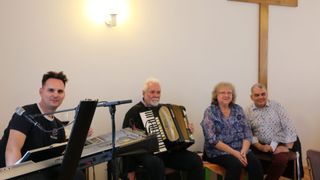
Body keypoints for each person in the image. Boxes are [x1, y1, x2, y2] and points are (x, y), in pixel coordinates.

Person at [0, 71, 85, 179]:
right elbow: (13, 149)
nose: (55, 94)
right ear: (41, 92)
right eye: (51, 90)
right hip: (16, 172)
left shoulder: (59, 126)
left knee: (77, 175)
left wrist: (80, 137)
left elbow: (61, 156)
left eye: (60, 91)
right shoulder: (26, 114)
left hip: (41, 171)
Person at [122, 77, 203, 180]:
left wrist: (187, 130)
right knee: (156, 163)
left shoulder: (164, 109)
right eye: (152, 92)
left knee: (195, 160)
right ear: (143, 93)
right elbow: (126, 144)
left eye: (158, 92)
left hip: (167, 152)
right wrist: (130, 170)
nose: (156, 95)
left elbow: (175, 133)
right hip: (144, 154)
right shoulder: (133, 112)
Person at [201, 82, 263, 180]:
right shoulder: (210, 112)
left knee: (256, 163)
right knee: (235, 165)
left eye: (229, 93)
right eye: (222, 93)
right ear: (216, 95)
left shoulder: (238, 109)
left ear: (232, 95)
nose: (226, 95)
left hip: (240, 149)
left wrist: (243, 151)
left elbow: (247, 133)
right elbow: (212, 139)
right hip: (217, 152)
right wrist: (235, 153)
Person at [246, 83, 299, 180]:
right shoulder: (248, 111)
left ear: (267, 94)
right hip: (259, 144)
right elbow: (248, 132)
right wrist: (260, 147)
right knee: (247, 157)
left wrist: (287, 147)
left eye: (263, 94)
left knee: (280, 160)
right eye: (257, 95)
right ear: (251, 97)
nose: (261, 97)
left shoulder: (277, 106)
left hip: (280, 142)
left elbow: (289, 126)